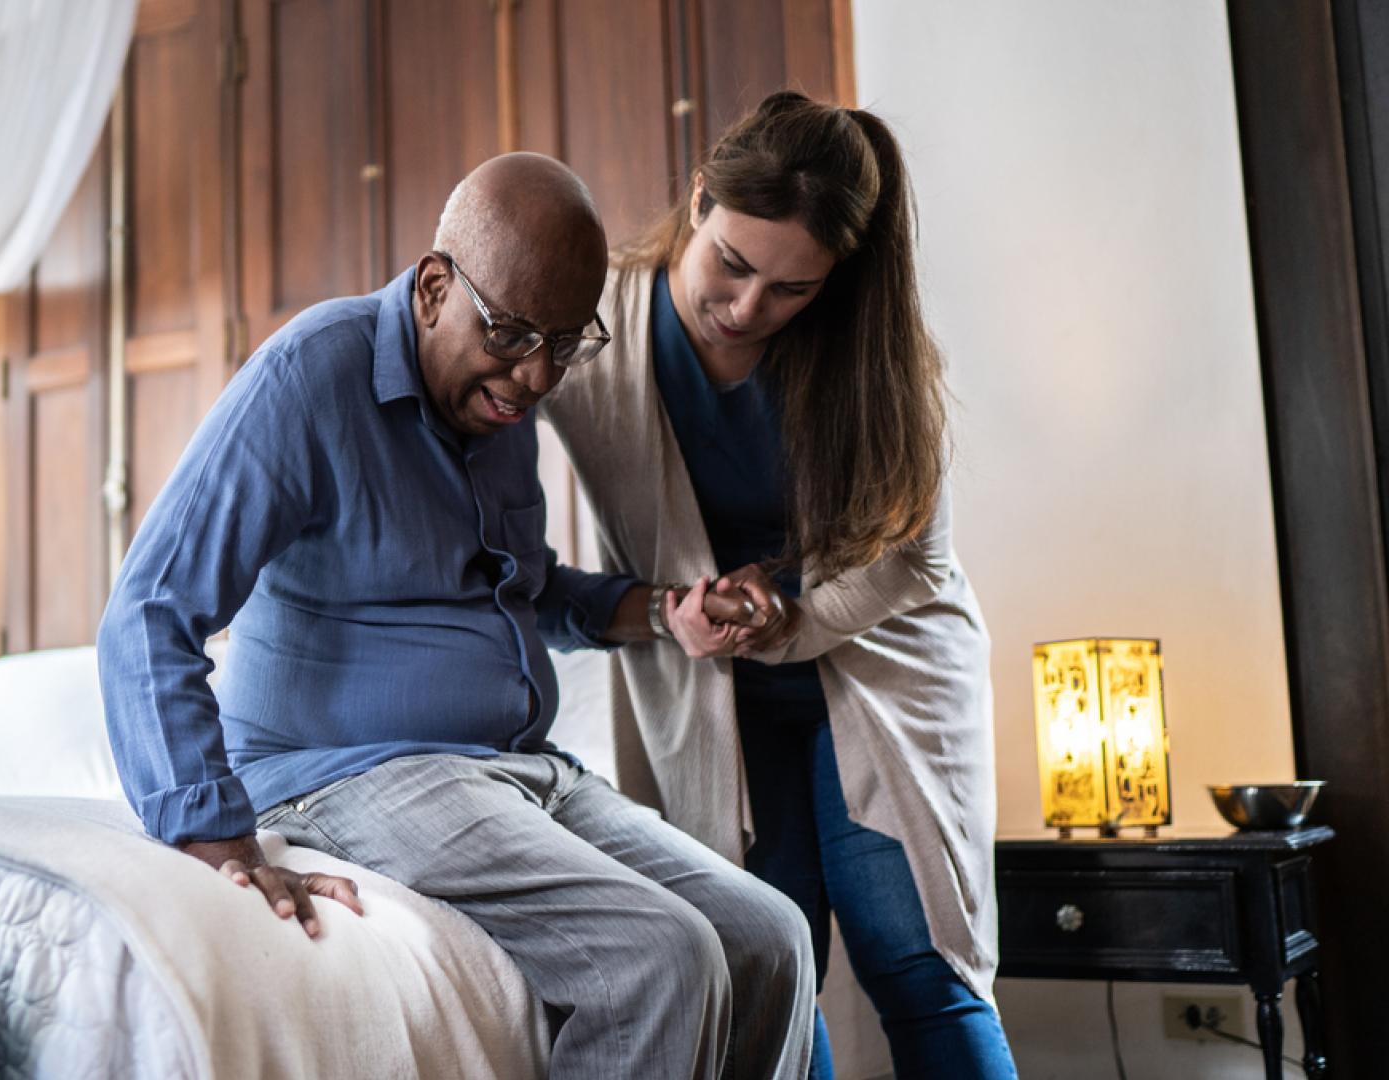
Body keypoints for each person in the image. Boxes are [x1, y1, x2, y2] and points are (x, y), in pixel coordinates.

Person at [98, 152, 816, 1079]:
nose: (535, 376)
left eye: (566, 343)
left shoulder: (496, 412)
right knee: (659, 956)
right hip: (347, 773)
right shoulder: (311, 378)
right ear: (436, 286)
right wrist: (213, 834)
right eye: (514, 334)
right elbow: (150, 609)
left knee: (771, 935)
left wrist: (660, 612)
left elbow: (526, 588)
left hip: (517, 769)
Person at [539, 92, 1018, 1078]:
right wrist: (668, 616)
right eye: (732, 263)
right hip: (711, 691)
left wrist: (781, 623)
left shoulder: (870, 356)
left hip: (881, 666)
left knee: (917, 964)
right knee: (767, 968)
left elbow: (913, 557)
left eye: (790, 291)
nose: (747, 308)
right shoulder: (592, 335)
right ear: (699, 200)